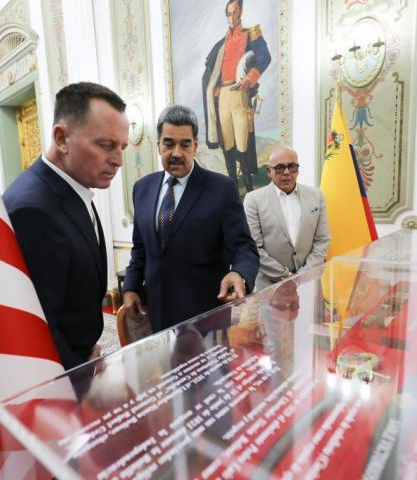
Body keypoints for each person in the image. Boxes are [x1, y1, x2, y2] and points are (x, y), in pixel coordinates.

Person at [3, 82, 129, 369]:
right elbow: (36, 327)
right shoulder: (32, 210)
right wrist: (79, 369)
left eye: (122, 147)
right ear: (61, 138)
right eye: (106, 145)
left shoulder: (73, 186)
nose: (119, 160)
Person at [122, 105, 259, 332]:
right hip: (156, 314)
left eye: (185, 144)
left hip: (206, 319)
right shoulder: (142, 189)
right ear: (158, 145)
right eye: (168, 143)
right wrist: (131, 287)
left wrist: (239, 273)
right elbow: (140, 248)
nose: (176, 152)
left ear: (195, 146)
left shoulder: (221, 189)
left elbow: (244, 247)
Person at [202, 0, 271, 193]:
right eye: (229, 13)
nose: (232, 17)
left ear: (241, 12)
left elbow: (264, 57)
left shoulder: (251, 34)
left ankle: (249, 190)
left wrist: (249, 79)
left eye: (235, 12)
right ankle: (232, 189)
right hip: (223, 96)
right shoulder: (221, 45)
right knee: (228, 145)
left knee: (243, 144)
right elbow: (211, 71)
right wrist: (214, 89)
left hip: (240, 92)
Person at [243, 146, 330, 290]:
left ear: (298, 169)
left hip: (308, 283)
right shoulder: (253, 200)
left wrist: (302, 275)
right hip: (269, 287)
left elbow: (322, 240)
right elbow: (254, 248)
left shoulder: (316, 196)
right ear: (269, 172)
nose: (287, 172)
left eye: (292, 166)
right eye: (279, 168)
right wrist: (286, 276)